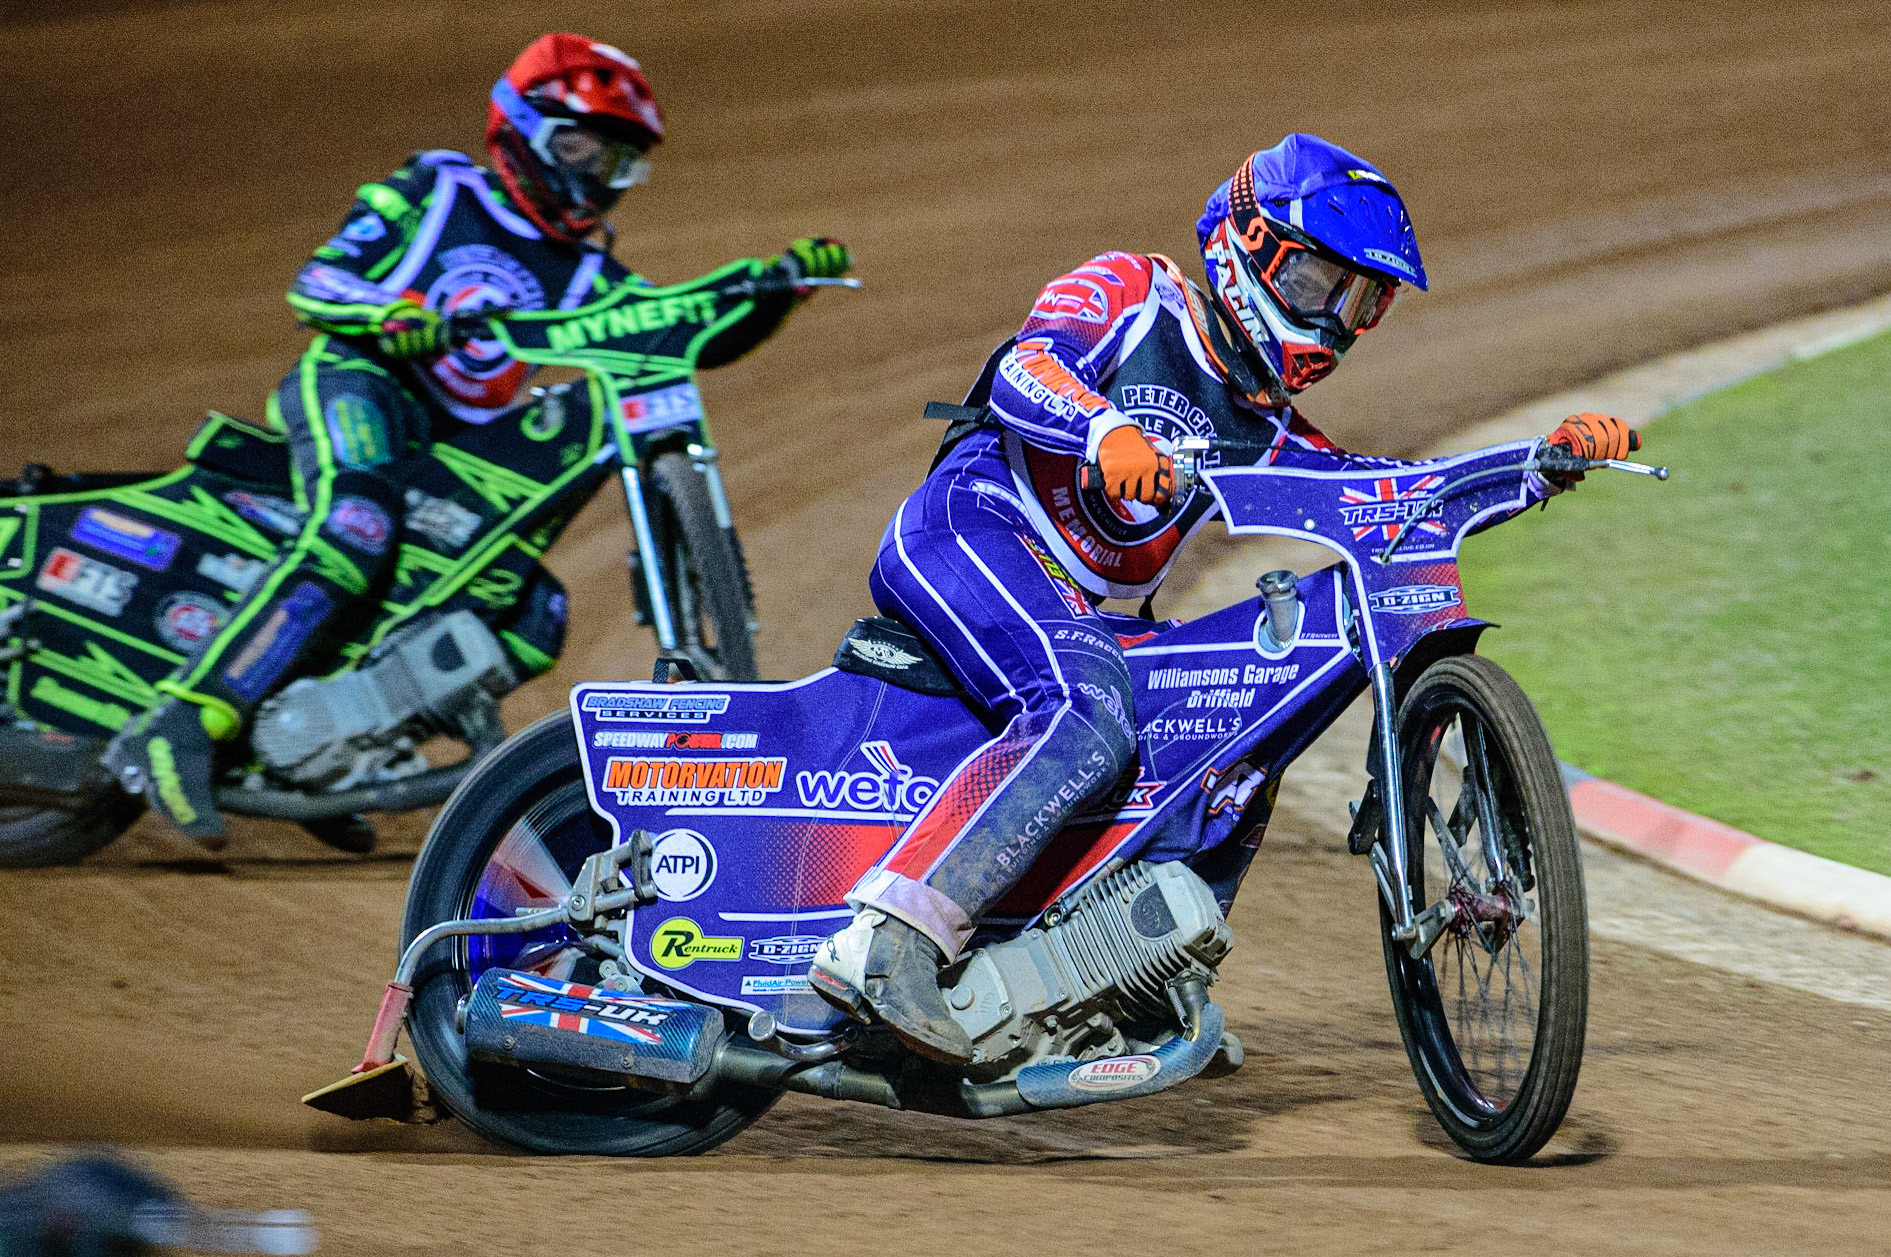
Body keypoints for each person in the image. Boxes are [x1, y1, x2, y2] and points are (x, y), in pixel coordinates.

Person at [809, 133, 1634, 1062]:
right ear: (1251, 247)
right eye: (1323, 285)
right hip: (971, 529)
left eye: (1363, 302)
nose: (1336, 323)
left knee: (1235, 733)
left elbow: (1392, 497)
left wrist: (1538, 464)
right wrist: (1104, 430)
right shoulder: (1133, 291)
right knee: (1084, 710)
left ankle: (1133, 978)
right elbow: (1025, 368)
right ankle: (888, 944)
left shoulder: (1273, 430)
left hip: (1088, 616)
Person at [104, 32, 852, 842]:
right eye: (583, 147)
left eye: (619, 160)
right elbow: (317, 283)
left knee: (532, 612)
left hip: (449, 440)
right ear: (523, 130)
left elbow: (670, 340)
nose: (600, 175)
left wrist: (775, 295)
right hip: (359, 381)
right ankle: (181, 721)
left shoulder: (589, 275)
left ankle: (326, 755)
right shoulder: (436, 189)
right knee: (355, 529)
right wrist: (397, 317)